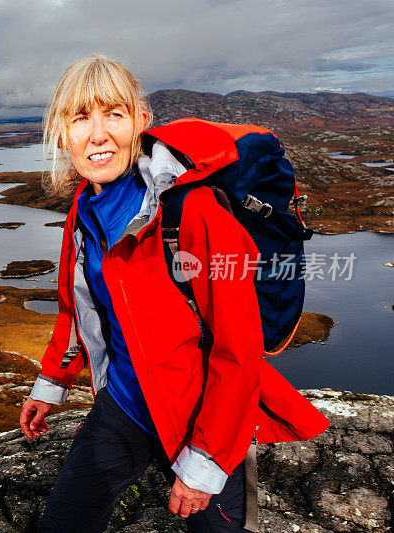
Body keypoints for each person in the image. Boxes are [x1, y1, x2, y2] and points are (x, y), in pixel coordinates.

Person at [19, 55, 329, 532]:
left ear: (141, 123)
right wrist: (54, 383)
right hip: (123, 403)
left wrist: (206, 461)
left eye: (114, 115)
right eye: (80, 118)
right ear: (63, 133)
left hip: (201, 417)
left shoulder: (194, 212)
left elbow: (237, 348)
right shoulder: (85, 209)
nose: (97, 134)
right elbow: (75, 305)